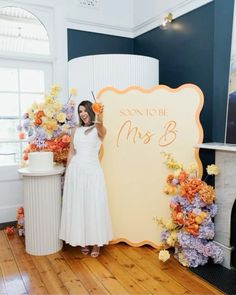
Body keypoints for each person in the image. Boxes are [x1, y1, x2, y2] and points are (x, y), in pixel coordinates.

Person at [59, 100, 113, 257]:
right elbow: (71, 152)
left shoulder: (99, 129)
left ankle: (96, 244)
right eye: (80, 111)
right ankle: (83, 240)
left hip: (92, 172)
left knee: (93, 205)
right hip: (76, 172)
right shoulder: (75, 130)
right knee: (79, 205)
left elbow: (101, 130)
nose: (82, 113)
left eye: (85, 110)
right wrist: (67, 171)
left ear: (91, 111)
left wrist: (99, 116)